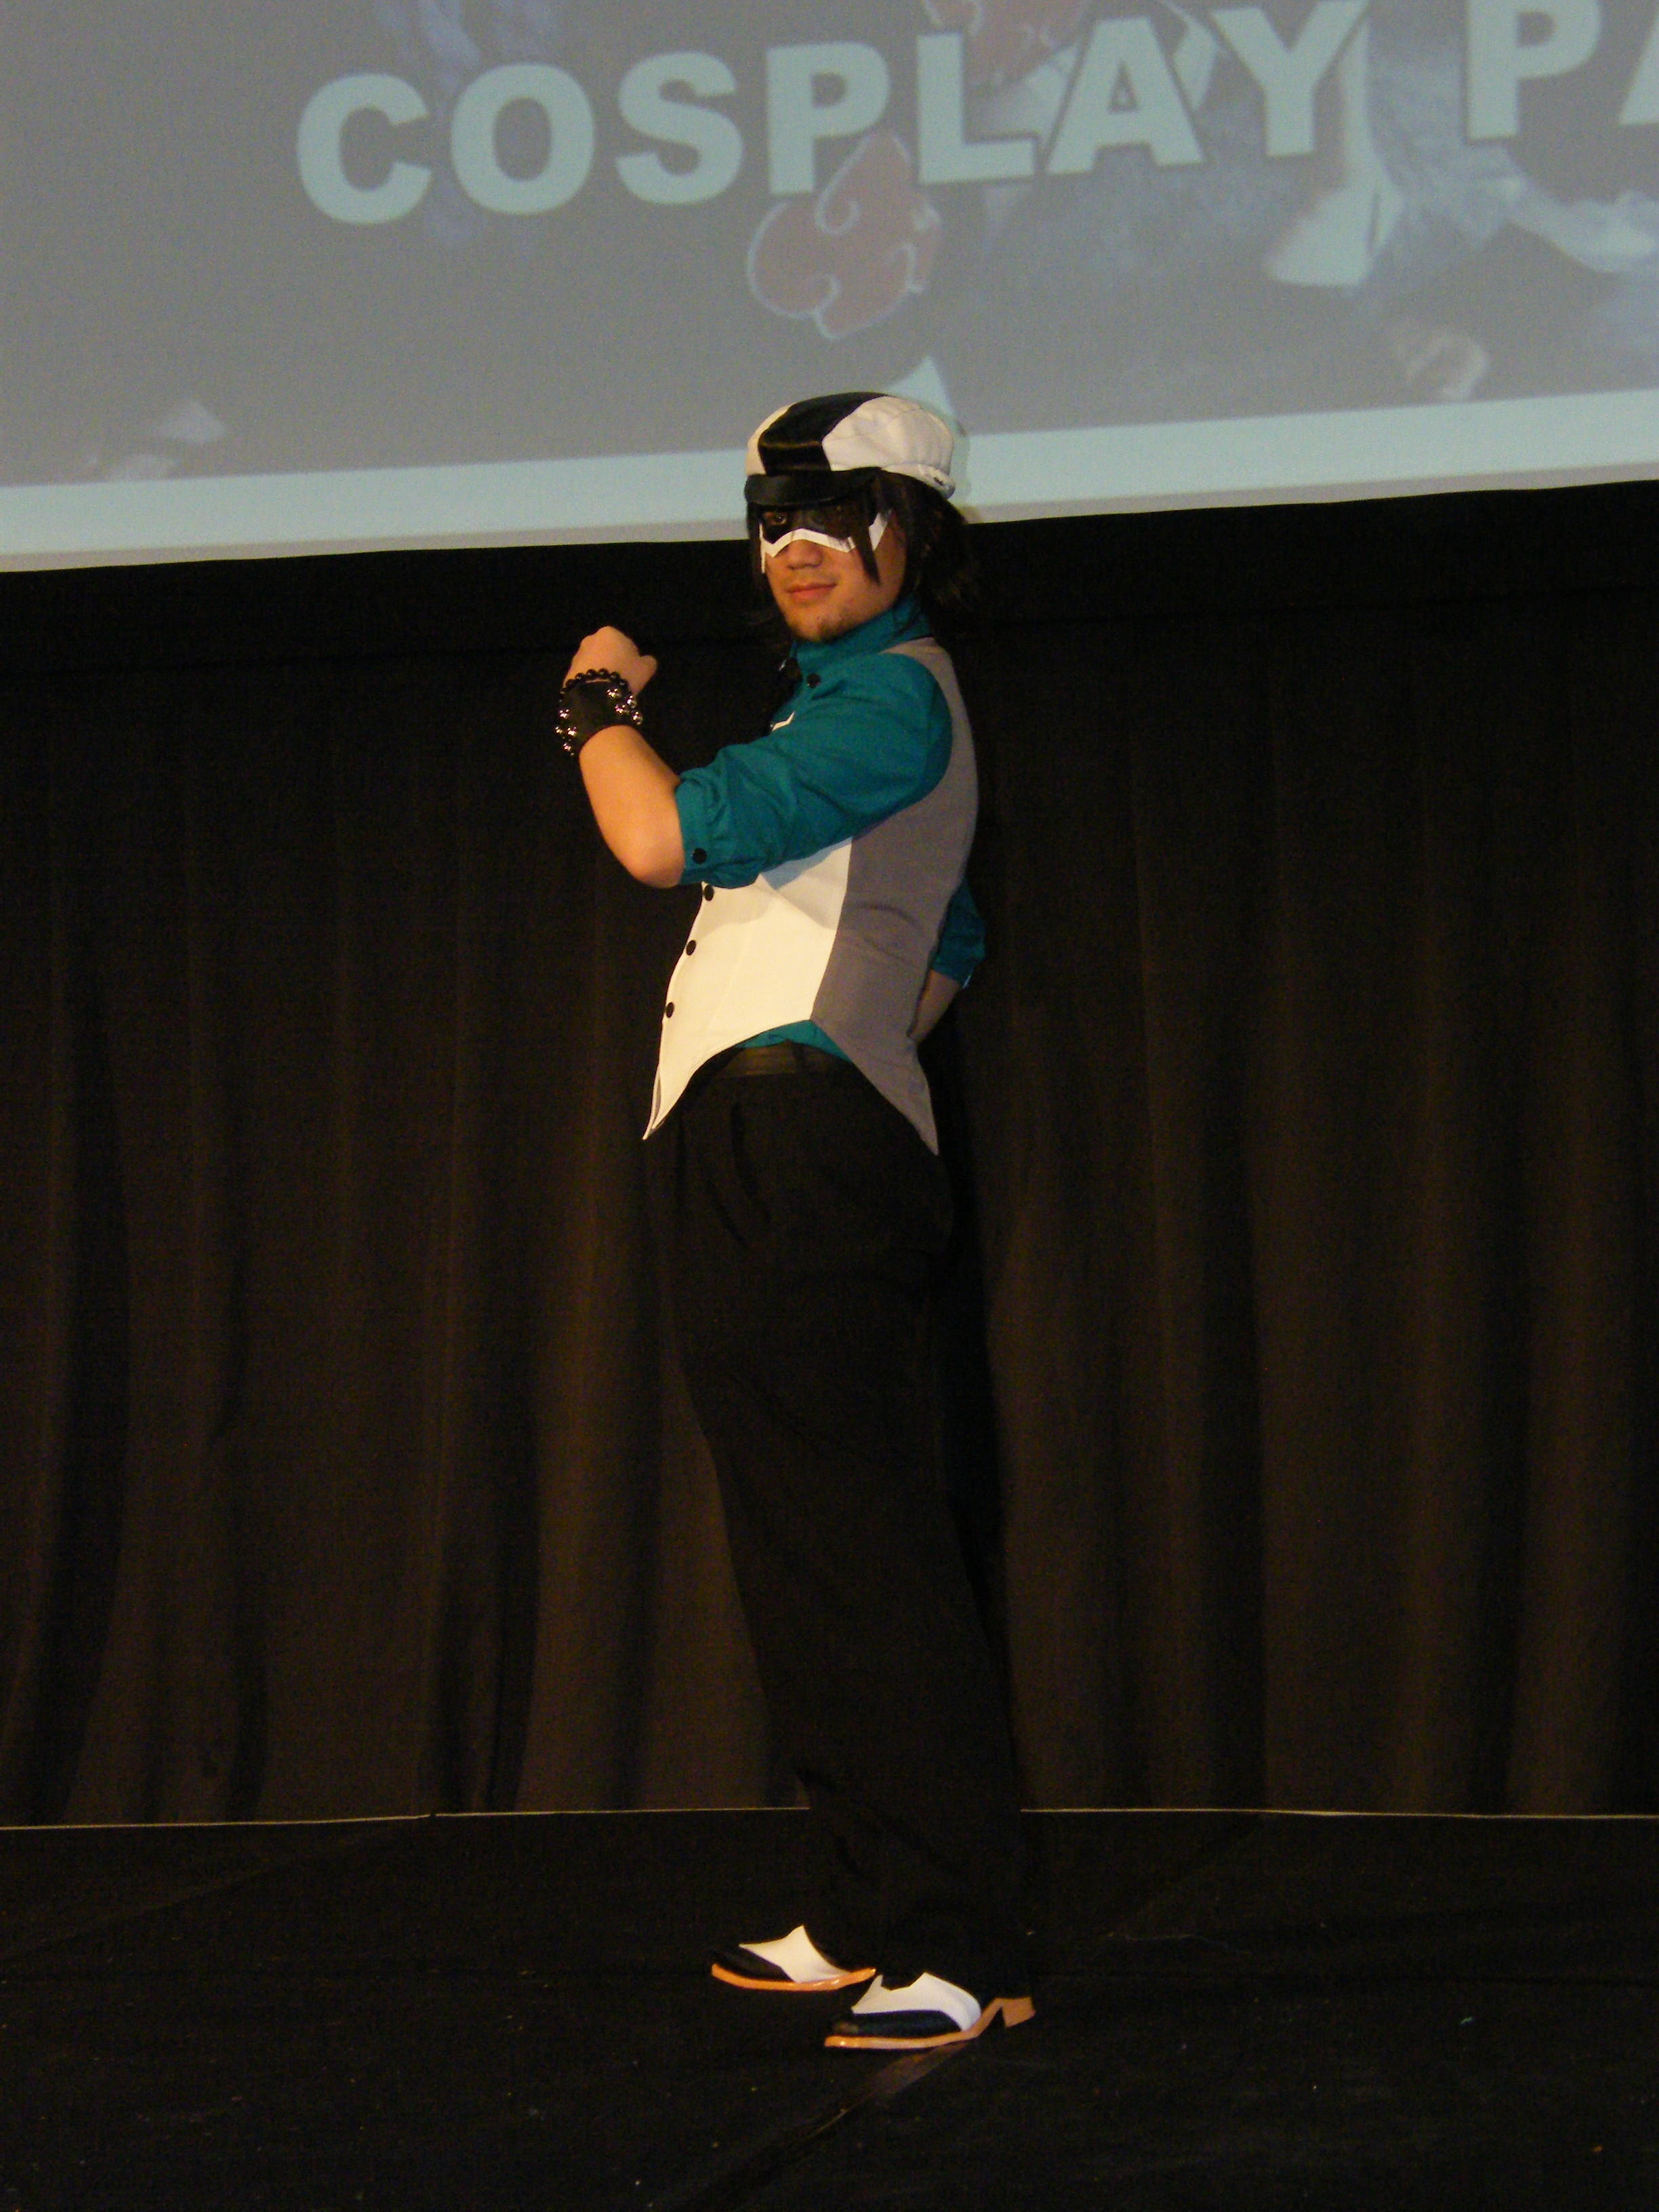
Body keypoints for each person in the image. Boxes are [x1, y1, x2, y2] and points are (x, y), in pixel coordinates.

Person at [558, 391, 1032, 2051]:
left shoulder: (897, 695)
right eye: (776, 527)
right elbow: (951, 938)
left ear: (918, 535)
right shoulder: (842, 708)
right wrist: (861, 1032)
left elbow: (654, 834)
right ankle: (862, 1896)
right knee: (795, 1550)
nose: (801, 551)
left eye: (841, 519)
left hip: (802, 1149)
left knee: (861, 1549)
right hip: (759, 1138)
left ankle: (957, 1939)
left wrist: (594, 705)